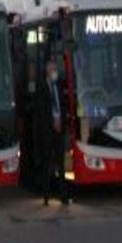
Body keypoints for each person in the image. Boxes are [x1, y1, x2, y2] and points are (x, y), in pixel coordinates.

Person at [39, 60, 72, 205]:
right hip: (47, 131)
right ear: (47, 71)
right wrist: (52, 122)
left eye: (55, 69)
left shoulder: (58, 86)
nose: (55, 72)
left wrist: (61, 122)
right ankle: (46, 195)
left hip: (59, 130)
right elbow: (40, 111)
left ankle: (63, 195)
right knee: (47, 164)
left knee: (61, 164)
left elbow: (62, 105)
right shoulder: (41, 87)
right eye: (52, 69)